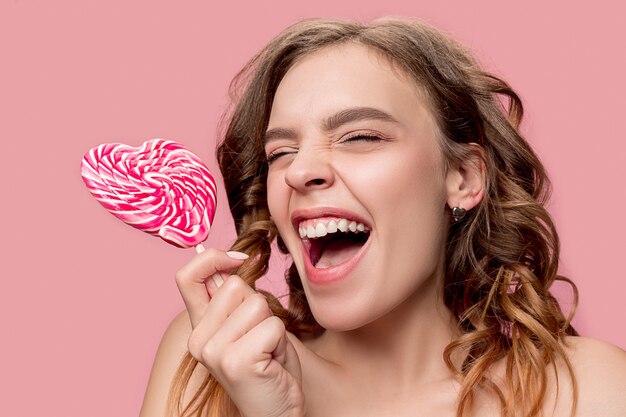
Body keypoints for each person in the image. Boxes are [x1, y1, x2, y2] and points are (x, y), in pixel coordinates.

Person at [139, 17, 626, 417]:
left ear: (462, 177)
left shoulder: (585, 393)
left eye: (359, 137)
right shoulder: (209, 359)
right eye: (280, 152)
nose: (299, 171)